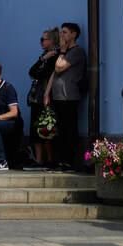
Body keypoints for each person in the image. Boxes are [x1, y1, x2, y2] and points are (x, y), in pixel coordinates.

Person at [44, 22, 86, 171]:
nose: (62, 35)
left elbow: (59, 67)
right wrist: (47, 93)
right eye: (61, 32)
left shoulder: (76, 51)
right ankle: (60, 160)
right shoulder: (62, 52)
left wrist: (62, 51)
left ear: (74, 34)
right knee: (59, 130)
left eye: (65, 32)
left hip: (69, 96)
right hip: (57, 97)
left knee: (69, 130)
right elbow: (53, 74)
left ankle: (69, 161)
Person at [24, 27, 59, 170]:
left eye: (43, 39)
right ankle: (39, 160)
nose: (41, 42)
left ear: (52, 40)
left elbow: (41, 74)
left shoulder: (55, 57)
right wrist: (42, 58)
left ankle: (49, 160)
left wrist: (45, 60)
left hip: (47, 97)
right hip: (37, 97)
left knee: (46, 128)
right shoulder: (45, 56)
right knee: (35, 129)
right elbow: (31, 72)